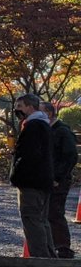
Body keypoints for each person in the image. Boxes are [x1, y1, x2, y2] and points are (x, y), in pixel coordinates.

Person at [10, 93, 55, 258]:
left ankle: (41, 259)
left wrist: (16, 175)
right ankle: (50, 257)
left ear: (30, 107)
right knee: (42, 220)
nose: (16, 110)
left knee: (32, 220)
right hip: (43, 180)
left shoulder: (33, 126)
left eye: (20, 106)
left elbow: (29, 155)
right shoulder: (44, 125)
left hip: (31, 182)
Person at [43, 102, 77, 258]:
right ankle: (54, 245)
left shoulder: (62, 131)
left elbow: (70, 157)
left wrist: (57, 177)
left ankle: (63, 247)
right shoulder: (51, 130)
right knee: (50, 212)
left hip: (59, 179)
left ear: (49, 113)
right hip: (51, 177)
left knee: (55, 212)